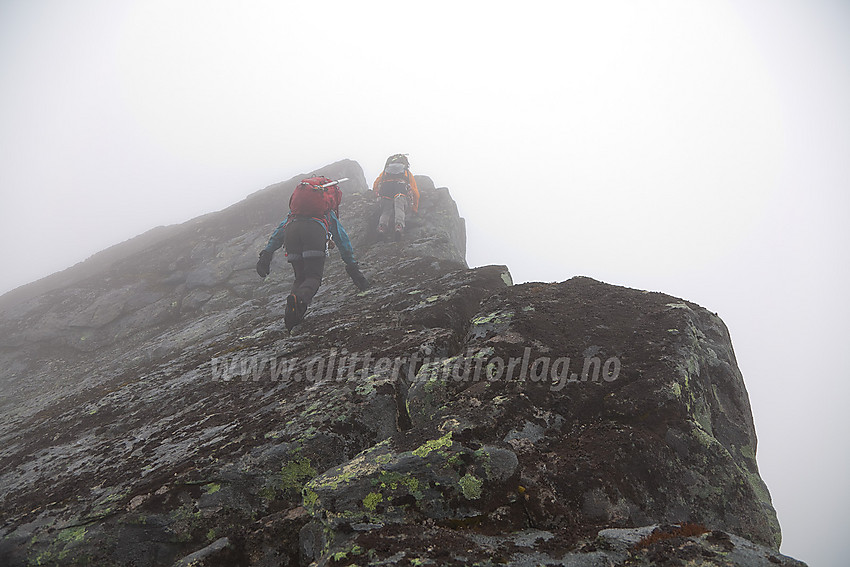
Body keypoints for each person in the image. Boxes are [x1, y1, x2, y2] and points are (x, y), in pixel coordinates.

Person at [256, 176, 369, 330]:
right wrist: (353, 268)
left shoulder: (295, 213)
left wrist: (267, 253)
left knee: (300, 278)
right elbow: (342, 239)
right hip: (313, 231)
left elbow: (280, 230)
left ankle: (292, 316)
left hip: (292, 232)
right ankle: (299, 300)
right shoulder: (325, 212)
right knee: (313, 277)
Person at [372, 154, 419, 240]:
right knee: (399, 208)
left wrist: (375, 193)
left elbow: (376, 183)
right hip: (400, 192)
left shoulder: (385, 171)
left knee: (385, 211)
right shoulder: (406, 172)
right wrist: (415, 208)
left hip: (385, 193)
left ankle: (382, 227)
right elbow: (415, 191)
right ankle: (398, 226)